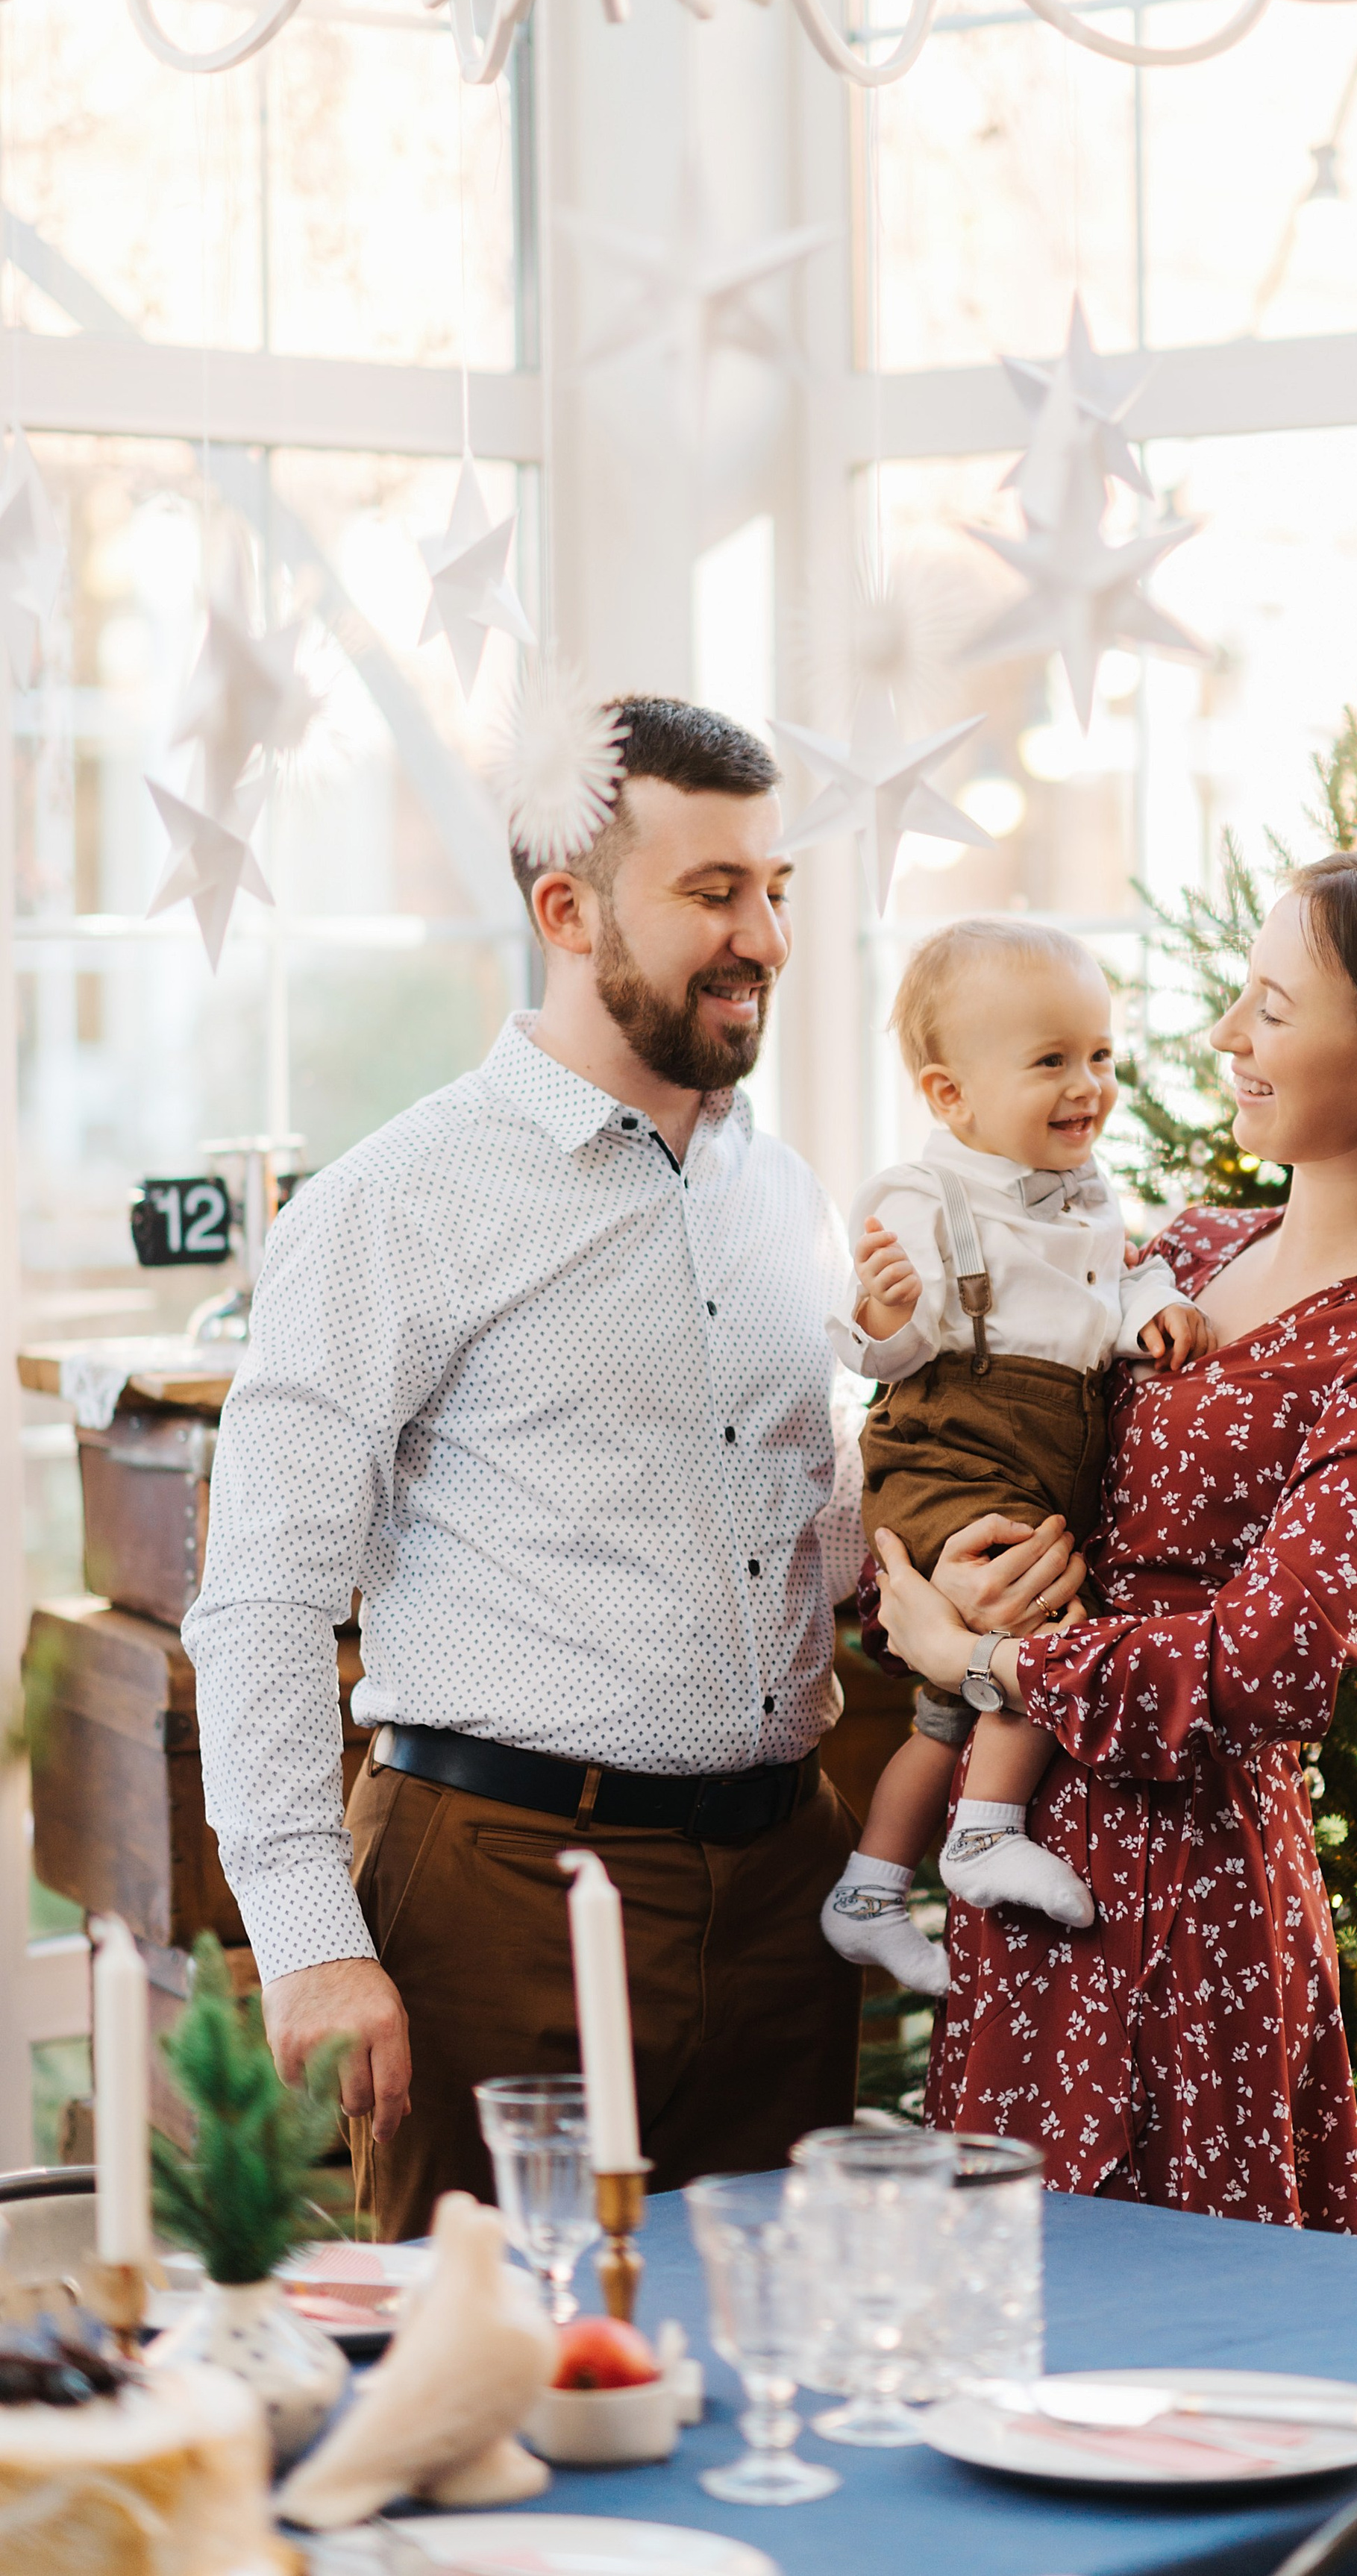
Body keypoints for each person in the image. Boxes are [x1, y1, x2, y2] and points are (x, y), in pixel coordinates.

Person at [183, 697, 866, 2240]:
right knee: (486, 2397)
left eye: (775, 888)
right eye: (712, 891)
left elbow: (804, 1520)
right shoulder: (396, 1202)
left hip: (784, 1897)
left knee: (775, 2380)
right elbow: (263, 1597)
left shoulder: (792, 1200)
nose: (761, 933)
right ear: (566, 908)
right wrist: (307, 1937)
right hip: (501, 1893)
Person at [871, 846, 1357, 2228]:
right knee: (1000, 2319)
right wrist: (940, 1565)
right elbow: (982, 1419)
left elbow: (1274, 1664)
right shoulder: (1181, 1250)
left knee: (1180, 2338)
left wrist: (986, 1665)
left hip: (1186, 1894)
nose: (1226, 1036)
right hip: (1022, 1860)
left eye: (1274, 1010)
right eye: (1240, 995)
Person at [818, 919, 1209, 1996]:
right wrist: (884, 1312)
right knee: (1046, 1633)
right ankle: (984, 1838)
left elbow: (1114, 1286)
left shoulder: (1087, 1194)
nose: (1088, 1085)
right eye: (1052, 1062)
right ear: (951, 1097)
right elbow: (878, 1353)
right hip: (952, 1452)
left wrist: (1158, 1308)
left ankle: (867, 1891)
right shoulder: (920, 1198)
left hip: (1041, 1464)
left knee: (950, 1708)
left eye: (1101, 1057)